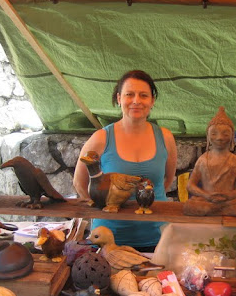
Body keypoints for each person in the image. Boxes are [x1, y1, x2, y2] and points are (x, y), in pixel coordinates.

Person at [73, 70, 177, 252]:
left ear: (152, 101)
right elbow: (79, 183)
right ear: (119, 99)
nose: (136, 100)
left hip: (157, 237)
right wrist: (101, 207)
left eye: (143, 95)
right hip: (109, 239)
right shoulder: (100, 138)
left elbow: (166, 180)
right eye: (129, 94)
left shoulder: (165, 137)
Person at [183, 106, 236, 217]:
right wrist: (206, 195)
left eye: (225, 134)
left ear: (232, 136)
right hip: (206, 200)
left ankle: (213, 210)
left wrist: (230, 195)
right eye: (214, 133)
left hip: (228, 202)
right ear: (208, 137)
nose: (219, 138)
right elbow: (190, 186)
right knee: (190, 207)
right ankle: (216, 210)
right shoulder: (203, 160)